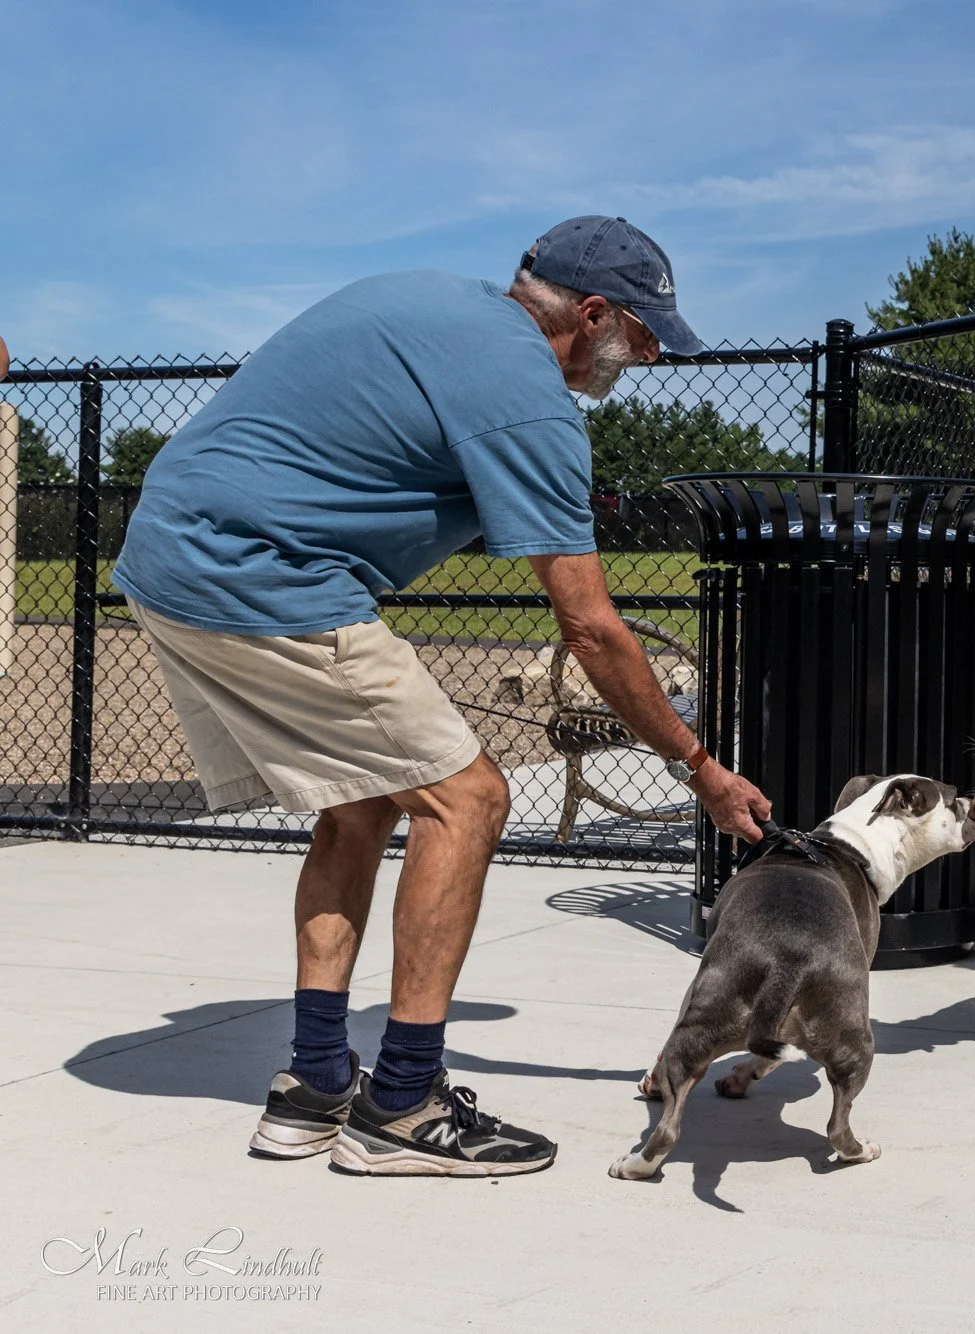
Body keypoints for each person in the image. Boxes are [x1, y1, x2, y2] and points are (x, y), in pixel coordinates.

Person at [110, 216, 772, 1177]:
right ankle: (405, 1110)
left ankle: (311, 1089)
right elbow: (589, 628)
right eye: (640, 331)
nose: (650, 354)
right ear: (588, 315)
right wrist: (701, 768)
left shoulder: (425, 298)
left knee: (365, 801)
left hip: (169, 557)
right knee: (469, 798)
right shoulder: (529, 400)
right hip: (264, 575)